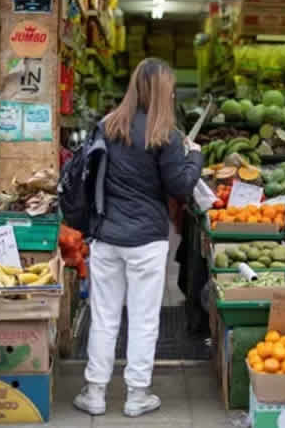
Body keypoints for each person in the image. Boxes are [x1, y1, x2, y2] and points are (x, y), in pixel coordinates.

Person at [73, 58, 204, 417]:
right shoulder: (164, 134)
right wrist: (196, 157)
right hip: (146, 239)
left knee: (104, 317)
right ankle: (136, 395)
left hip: (106, 235)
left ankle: (95, 393)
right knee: (145, 319)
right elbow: (180, 186)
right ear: (163, 91)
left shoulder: (106, 126)